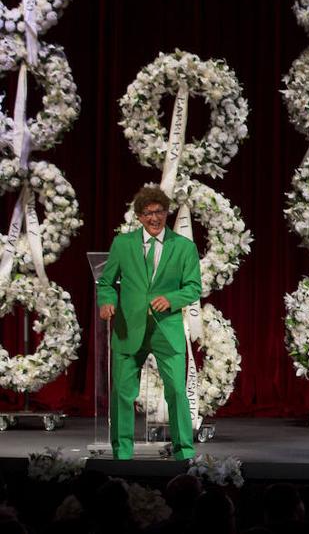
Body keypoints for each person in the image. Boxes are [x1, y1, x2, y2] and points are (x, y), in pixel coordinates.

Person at [96, 185, 202, 460]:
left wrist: (172, 299)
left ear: (167, 213)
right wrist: (107, 301)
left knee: (178, 391)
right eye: (148, 213)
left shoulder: (184, 247)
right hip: (129, 328)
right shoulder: (123, 244)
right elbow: (106, 282)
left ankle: (184, 453)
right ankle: (122, 455)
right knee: (122, 393)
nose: (154, 218)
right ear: (139, 217)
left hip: (167, 330)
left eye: (159, 211)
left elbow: (193, 288)